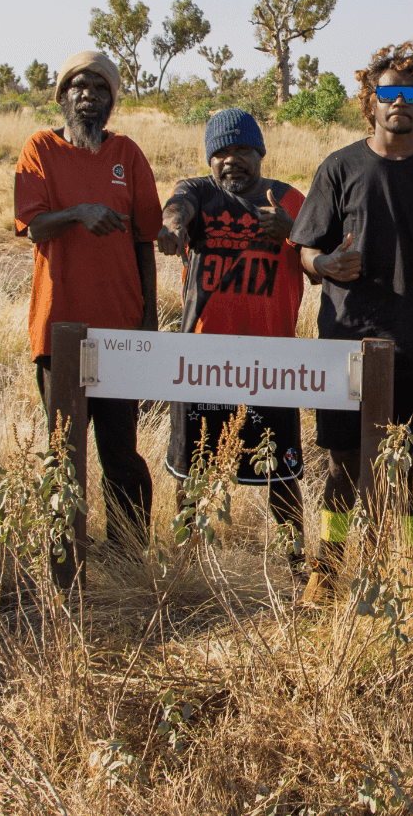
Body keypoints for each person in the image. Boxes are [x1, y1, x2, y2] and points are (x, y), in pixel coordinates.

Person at [289, 41, 413, 599]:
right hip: (347, 344)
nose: (401, 103)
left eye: (412, 94)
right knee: (345, 468)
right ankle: (327, 575)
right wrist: (324, 264)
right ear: (371, 101)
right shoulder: (339, 167)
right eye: (388, 93)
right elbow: (305, 252)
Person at [14, 52, 160, 550]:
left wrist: (148, 318)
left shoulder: (128, 154)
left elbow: (146, 238)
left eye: (100, 88)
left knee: (120, 451)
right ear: (62, 95)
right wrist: (78, 212)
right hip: (61, 329)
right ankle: (63, 552)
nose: (88, 96)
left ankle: (128, 551)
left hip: (119, 328)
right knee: (63, 449)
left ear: (111, 101)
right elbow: (33, 225)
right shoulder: (40, 149)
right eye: (78, 86)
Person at [159, 108, 308, 577]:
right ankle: (186, 569)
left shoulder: (289, 199)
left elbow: (318, 257)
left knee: (281, 476)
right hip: (201, 362)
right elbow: (177, 205)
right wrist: (174, 226)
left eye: (242, 150)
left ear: (259, 153)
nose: (231, 161)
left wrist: (292, 233)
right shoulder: (199, 194)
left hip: (272, 363)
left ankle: (299, 568)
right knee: (192, 474)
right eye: (220, 152)